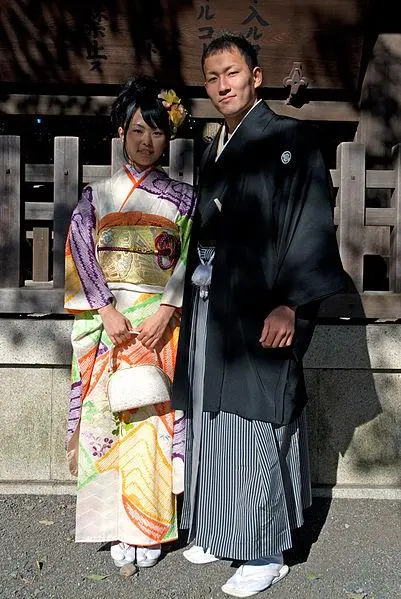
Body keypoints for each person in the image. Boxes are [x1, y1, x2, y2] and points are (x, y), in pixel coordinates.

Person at [172, 33, 347, 597]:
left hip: (261, 309)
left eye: (232, 74)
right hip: (211, 305)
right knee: (210, 415)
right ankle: (219, 530)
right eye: (213, 77)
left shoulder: (290, 140)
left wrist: (291, 304)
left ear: (256, 76)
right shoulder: (213, 148)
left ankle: (265, 548)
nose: (223, 85)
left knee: (256, 421)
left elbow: (310, 226)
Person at [64, 76, 194, 569]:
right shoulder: (97, 194)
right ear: (122, 131)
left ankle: (149, 528)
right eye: (139, 129)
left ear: (169, 138)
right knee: (104, 416)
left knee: (151, 419)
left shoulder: (184, 199)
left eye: (158, 132)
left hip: (159, 323)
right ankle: (112, 523)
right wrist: (105, 308)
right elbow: (80, 249)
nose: (147, 141)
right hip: (109, 322)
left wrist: (167, 310)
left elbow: (191, 259)